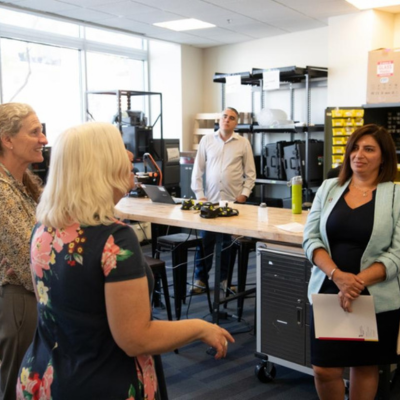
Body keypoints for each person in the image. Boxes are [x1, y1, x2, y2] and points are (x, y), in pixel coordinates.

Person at [16, 122, 234, 399]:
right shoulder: (114, 239)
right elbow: (136, 338)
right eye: (120, 148)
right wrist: (201, 327)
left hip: (44, 376)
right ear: (101, 165)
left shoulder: (44, 227)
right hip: (101, 383)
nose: (130, 155)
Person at [303, 124, 400, 400]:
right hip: (329, 288)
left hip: (374, 294)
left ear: (384, 157)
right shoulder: (329, 188)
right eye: (355, 148)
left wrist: (355, 283)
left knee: (365, 366)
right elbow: (310, 239)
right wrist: (338, 276)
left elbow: (397, 253)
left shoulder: (396, 195)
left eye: (369, 149)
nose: (359, 155)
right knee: (324, 369)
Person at [0, 103, 48, 400]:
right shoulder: (3, 191)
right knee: (17, 384)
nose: (44, 139)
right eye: (35, 132)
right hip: (19, 298)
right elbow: (27, 259)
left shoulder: (22, 183)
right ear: (7, 140)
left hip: (31, 295)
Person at [190, 107, 256, 294]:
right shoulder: (207, 140)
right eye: (224, 116)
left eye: (231, 118)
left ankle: (224, 280)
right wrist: (199, 195)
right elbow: (197, 170)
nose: (227, 120)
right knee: (205, 242)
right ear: (219, 120)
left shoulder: (243, 143)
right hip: (209, 201)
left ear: (236, 123)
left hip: (232, 202)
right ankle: (200, 280)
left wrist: (245, 194)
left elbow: (250, 173)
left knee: (228, 244)